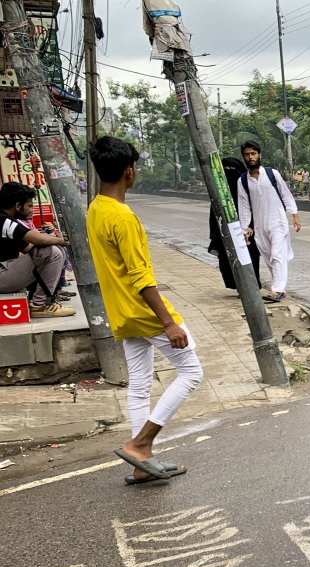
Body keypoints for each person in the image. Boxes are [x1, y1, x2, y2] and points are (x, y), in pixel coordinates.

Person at [87, 136, 202, 485]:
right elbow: (141, 276)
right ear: (129, 172)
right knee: (192, 372)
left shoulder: (95, 209)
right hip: (144, 312)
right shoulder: (123, 217)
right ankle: (141, 444)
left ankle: (142, 463)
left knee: (138, 386)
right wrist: (169, 323)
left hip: (120, 313)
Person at [236, 140, 300, 302]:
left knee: (277, 254)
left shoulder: (272, 174)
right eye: (247, 154)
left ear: (259, 155)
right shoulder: (242, 181)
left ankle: (277, 289)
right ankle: (279, 287)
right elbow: (243, 206)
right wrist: (245, 228)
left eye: (253, 153)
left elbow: (285, 194)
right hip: (259, 226)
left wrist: (294, 213)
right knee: (269, 257)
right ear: (244, 157)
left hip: (278, 222)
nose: (250, 157)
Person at [0, 182, 75, 318]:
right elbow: (37, 240)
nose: (31, 210)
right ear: (18, 206)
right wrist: (62, 241)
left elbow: (27, 247)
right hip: (2, 277)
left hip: (5, 273)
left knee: (49, 249)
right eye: (29, 205)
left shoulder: (6, 221)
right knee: (54, 252)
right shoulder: (3, 220)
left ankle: (42, 301)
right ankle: (39, 305)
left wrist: (46, 238)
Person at [208, 156, 262, 291]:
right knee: (228, 259)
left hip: (247, 229)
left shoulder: (247, 188)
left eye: (232, 169)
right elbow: (214, 215)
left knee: (250, 257)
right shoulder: (220, 193)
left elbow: (256, 208)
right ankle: (238, 285)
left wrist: (252, 226)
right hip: (226, 230)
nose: (229, 173)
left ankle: (251, 286)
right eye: (225, 170)